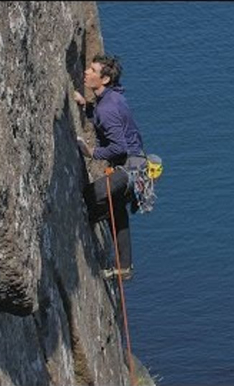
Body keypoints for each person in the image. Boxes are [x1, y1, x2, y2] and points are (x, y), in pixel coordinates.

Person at [73, 54, 146, 281]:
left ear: (104, 80)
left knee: (93, 194)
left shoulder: (107, 108)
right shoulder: (111, 98)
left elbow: (118, 148)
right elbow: (105, 117)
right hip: (136, 165)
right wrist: (86, 108)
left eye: (92, 70)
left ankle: (97, 216)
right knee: (116, 210)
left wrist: (92, 153)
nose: (86, 72)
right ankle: (125, 267)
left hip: (127, 168)